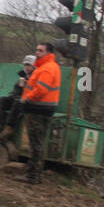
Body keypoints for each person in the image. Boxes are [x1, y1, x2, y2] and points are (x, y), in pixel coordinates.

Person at [18, 41, 62, 184]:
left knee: (35, 143)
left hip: (37, 109)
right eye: (37, 50)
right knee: (38, 142)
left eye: (40, 51)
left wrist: (28, 100)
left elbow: (41, 89)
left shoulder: (47, 68)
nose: (37, 53)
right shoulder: (47, 67)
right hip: (44, 108)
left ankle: (33, 175)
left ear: (49, 53)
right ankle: (35, 174)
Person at [0, 53, 35, 141]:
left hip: (29, 101)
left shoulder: (36, 76)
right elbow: (17, 90)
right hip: (19, 97)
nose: (26, 67)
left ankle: (9, 128)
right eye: (25, 65)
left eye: (29, 65)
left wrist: (24, 88)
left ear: (34, 66)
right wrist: (15, 92)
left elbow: (34, 91)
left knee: (18, 102)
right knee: (2, 100)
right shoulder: (23, 76)